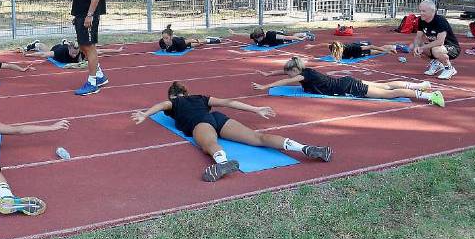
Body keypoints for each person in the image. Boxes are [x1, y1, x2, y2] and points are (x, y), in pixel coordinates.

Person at [131, 82, 332, 182]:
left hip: (199, 123)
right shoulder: (201, 97)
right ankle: (306, 148)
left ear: (174, 95)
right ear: (187, 92)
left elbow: (159, 105)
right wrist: (256, 109)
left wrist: (145, 114)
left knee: (208, 144)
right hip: (217, 117)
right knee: (257, 137)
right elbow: (229, 102)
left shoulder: (172, 103)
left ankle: (223, 163)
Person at [252, 57, 445, 107]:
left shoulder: (303, 76)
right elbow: (283, 73)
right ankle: (420, 86)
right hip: (347, 81)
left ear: (295, 70)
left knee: (390, 94)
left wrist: (265, 86)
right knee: (386, 85)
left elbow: (285, 82)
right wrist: (267, 74)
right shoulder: (303, 69)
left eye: (289, 73)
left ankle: (429, 95)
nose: (287, 75)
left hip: (349, 87)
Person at [410, 0, 460, 80]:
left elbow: (440, 42)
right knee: (413, 46)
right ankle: (437, 63)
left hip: (451, 48)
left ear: (432, 11)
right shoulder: (421, 20)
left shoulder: (440, 21)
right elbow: (418, 37)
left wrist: (423, 47)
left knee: (436, 50)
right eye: (420, 11)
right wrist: (416, 46)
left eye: (424, 11)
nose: (421, 13)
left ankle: (449, 68)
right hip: (436, 47)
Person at [16, 39, 124, 66]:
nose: (74, 55)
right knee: (44, 49)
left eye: (75, 53)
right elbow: (43, 55)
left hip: (66, 46)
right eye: (72, 53)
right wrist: (28, 55)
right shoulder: (61, 51)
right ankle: (35, 44)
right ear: (69, 49)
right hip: (57, 49)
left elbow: (100, 51)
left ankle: (65, 41)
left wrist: (117, 51)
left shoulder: (82, 52)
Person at [230, 27, 314, 47]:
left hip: (278, 38)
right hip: (271, 42)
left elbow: (287, 38)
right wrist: (234, 33)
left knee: (291, 37)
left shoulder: (271, 35)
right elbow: (245, 34)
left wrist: (299, 39)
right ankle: (304, 34)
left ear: (262, 35)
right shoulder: (255, 36)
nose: (257, 39)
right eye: (256, 38)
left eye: (259, 38)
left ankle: (305, 34)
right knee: (291, 37)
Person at [328, 40, 399, 62]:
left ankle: (391, 48)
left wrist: (386, 51)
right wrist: (316, 46)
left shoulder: (352, 48)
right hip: (355, 51)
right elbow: (324, 44)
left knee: (378, 51)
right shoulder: (332, 47)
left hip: (360, 51)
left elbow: (371, 46)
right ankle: (389, 48)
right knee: (377, 50)